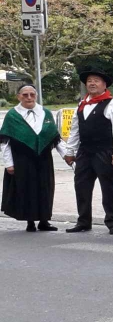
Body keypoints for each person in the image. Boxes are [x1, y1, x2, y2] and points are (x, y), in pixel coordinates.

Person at [64, 67, 113, 234]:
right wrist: (70, 151)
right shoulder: (81, 103)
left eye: (96, 80)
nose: (92, 83)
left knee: (109, 188)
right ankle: (83, 221)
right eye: (89, 81)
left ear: (104, 84)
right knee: (81, 187)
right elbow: (75, 130)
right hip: (84, 152)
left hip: (104, 151)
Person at [0, 84, 65, 232]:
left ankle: (44, 221)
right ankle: (30, 221)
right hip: (22, 159)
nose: (29, 97)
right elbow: (5, 142)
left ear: (36, 96)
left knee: (45, 188)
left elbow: (55, 138)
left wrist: (67, 156)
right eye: (25, 95)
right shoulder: (12, 115)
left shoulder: (46, 113)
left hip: (43, 158)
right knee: (27, 189)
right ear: (19, 97)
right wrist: (9, 163)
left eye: (32, 94)